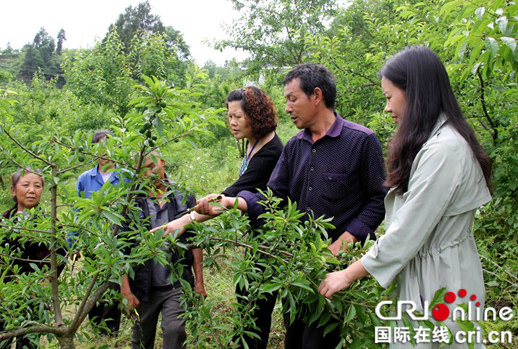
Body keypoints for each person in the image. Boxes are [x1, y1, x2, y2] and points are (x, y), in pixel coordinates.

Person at [196, 64, 387, 349]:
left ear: (317, 96)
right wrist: (230, 202)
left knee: (318, 341)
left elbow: (377, 200)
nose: (286, 108)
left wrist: (343, 243)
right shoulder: (294, 147)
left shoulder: (361, 141)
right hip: (296, 267)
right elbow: (273, 197)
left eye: (292, 99)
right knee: (294, 337)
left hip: (335, 270)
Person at [318, 46, 492, 348]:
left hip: (442, 279)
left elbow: (407, 231)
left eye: (389, 96)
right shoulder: (433, 142)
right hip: (427, 271)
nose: (387, 108)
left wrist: (348, 274)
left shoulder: (445, 150)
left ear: (415, 93)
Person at [159, 85, 283, 349]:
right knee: (244, 294)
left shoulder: (271, 151)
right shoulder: (253, 143)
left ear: (256, 115)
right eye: (229, 116)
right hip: (257, 234)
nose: (232, 122)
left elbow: (230, 196)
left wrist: (181, 221)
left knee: (254, 302)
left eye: (238, 116)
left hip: (273, 238)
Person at [119, 153, 207, 349]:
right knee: (141, 338)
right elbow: (119, 249)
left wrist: (199, 283)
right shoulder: (129, 203)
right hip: (142, 285)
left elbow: (195, 242)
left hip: (176, 283)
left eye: (151, 166)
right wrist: (125, 290)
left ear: (163, 162)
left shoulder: (183, 196)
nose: (148, 174)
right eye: (142, 170)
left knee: (175, 332)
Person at [0, 168, 66, 348]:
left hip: (33, 296)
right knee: (0, 341)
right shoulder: (0, 222)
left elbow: (60, 257)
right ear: (13, 190)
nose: (32, 190)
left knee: (29, 344)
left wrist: (45, 281)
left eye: (37, 186)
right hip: (0, 297)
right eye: (26, 185)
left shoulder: (51, 225)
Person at [73, 129, 124, 335]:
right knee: (94, 283)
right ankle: (96, 327)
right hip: (93, 241)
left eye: (110, 147)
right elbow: (78, 212)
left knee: (115, 285)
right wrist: (74, 243)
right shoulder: (85, 179)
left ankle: (110, 330)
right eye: (100, 148)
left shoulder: (126, 176)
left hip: (119, 241)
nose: (105, 153)